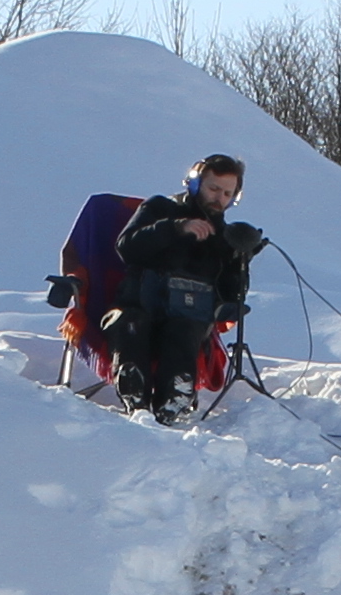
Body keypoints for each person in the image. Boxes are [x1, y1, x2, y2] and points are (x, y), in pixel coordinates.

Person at [108, 153, 263, 417]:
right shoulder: (159, 208)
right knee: (130, 323)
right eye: (213, 189)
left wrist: (241, 259)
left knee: (185, 330)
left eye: (227, 194)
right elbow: (126, 247)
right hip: (140, 303)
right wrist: (175, 228)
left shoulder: (225, 237)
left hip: (189, 316)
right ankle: (134, 393)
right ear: (194, 183)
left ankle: (175, 399)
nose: (219, 198)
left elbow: (230, 294)